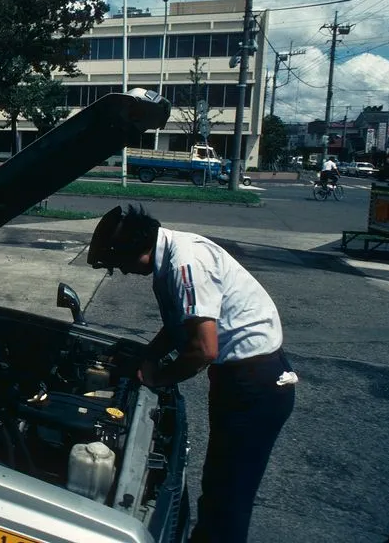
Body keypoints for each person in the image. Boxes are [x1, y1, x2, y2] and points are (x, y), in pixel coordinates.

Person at [87, 204, 297, 543]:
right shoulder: (170, 255)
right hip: (241, 379)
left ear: (136, 253)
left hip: (254, 385)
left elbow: (203, 349)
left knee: (229, 499)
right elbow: (177, 327)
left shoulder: (185, 264)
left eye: (121, 265)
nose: (123, 273)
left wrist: (159, 377)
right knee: (216, 484)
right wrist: (147, 356)